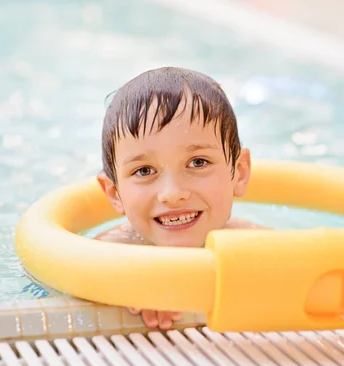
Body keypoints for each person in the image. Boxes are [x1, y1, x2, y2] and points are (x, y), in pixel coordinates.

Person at [95, 67, 265, 330]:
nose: (173, 194)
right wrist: (126, 280)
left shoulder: (255, 244)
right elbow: (69, 276)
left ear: (239, 173)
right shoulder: (113, 251)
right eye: (144, 171)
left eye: (198, 162)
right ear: (115, 194)